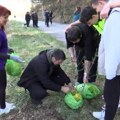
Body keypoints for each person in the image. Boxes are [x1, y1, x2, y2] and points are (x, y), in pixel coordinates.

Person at [91, 0, 120, 120]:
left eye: (97, 9)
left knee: (110, 94)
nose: (98, 13)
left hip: (115, 67)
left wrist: (110, 72)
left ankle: (107, 117)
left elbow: (115, 47)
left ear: (102, 3)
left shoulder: (115, 17)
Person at [66, 6, 100, 84]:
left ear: (80, 37)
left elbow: (88, 56)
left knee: (93, 61)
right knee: (79, 60)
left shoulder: (87, 34)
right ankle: (79, 80)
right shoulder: (68, 31)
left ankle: (90, 80)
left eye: (75, 41)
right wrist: (72, 55)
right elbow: (69, 45)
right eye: (72, 42)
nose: (74, 43)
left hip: (93, 41)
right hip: (80, 43)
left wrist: (86, 74)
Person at [0, 5, 23, 115]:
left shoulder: (1, 28)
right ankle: (2, 108)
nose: (7, 20)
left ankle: (2, 104)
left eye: (8, 17)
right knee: (2, 86)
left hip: (1, 62)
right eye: (5, 17)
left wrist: (7, 49)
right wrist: (10, 57)